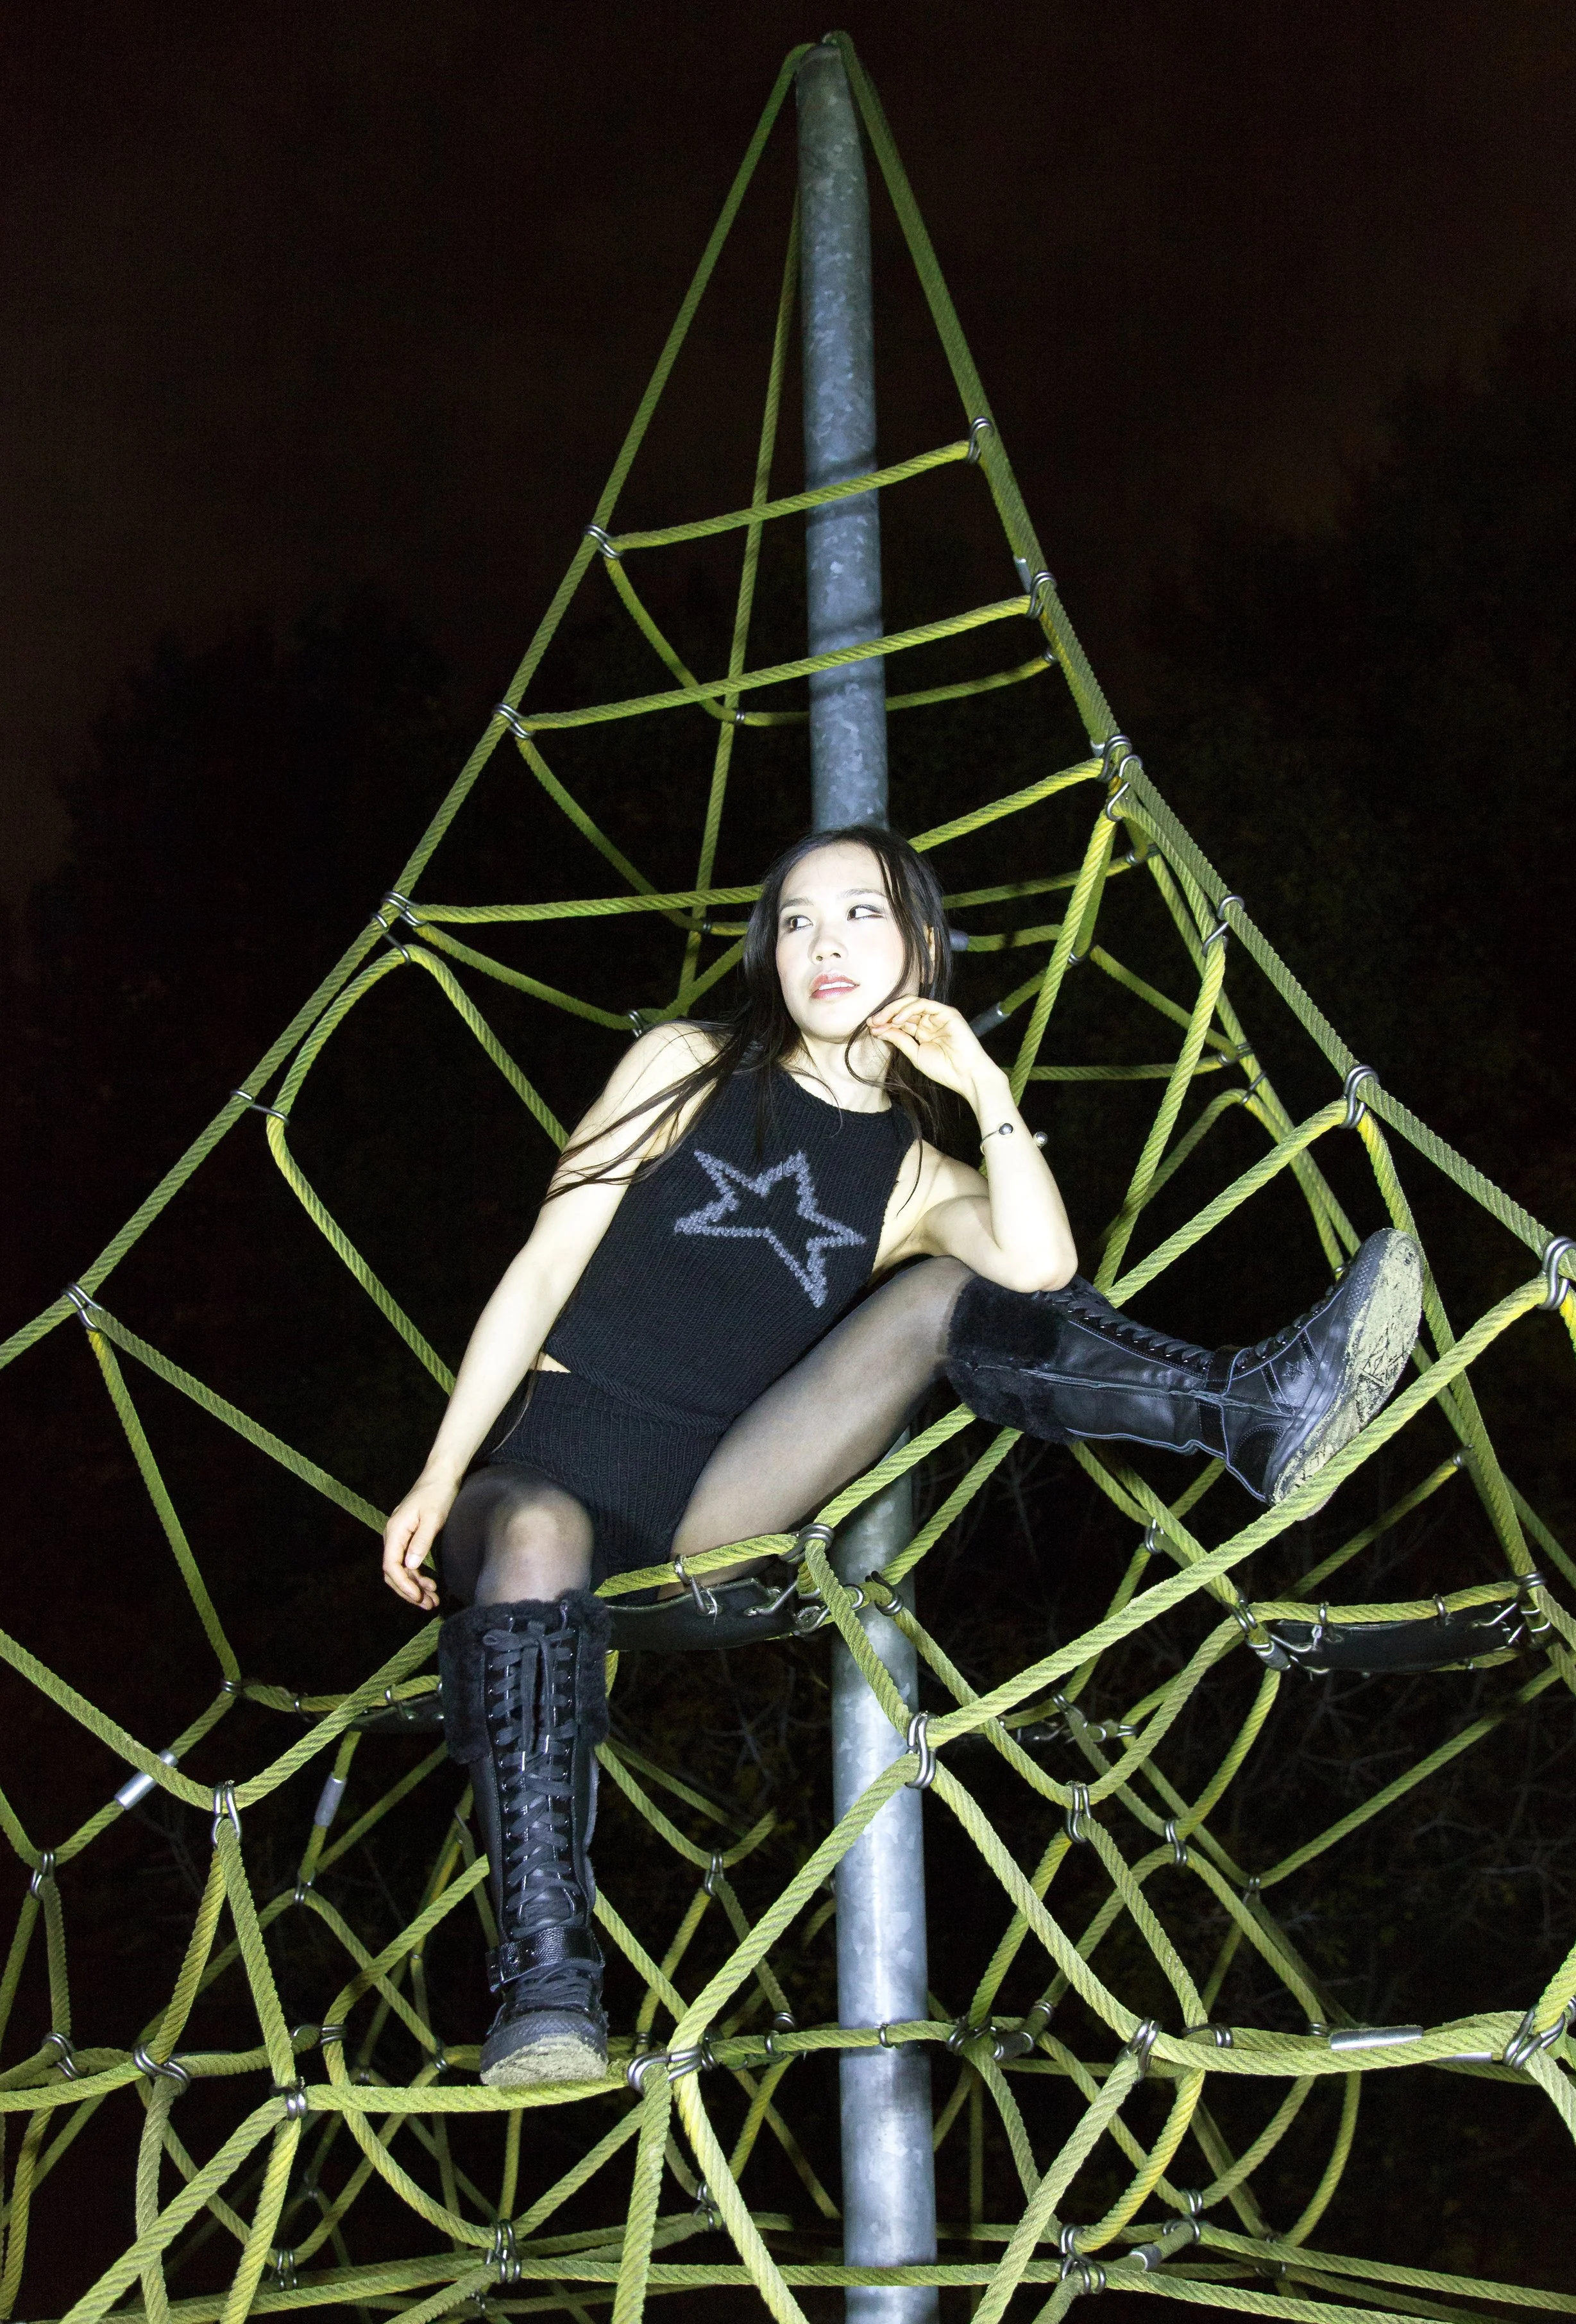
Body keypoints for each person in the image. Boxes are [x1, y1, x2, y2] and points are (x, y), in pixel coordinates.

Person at [382, 826, 1422, 2088]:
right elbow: (541, 1267)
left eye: (860, 917)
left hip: (703, 1514)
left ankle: (1248, 1415)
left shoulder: (912, 1178)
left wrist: (984, 1091)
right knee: (544, 1532)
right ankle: (545, 1992)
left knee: (942, 1294)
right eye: (798, 921)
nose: (824, 946)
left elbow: (1038, 1266)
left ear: (917, 947)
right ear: (769, 952)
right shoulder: (683, 1066)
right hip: (542, 1480)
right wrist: (442, 1476)